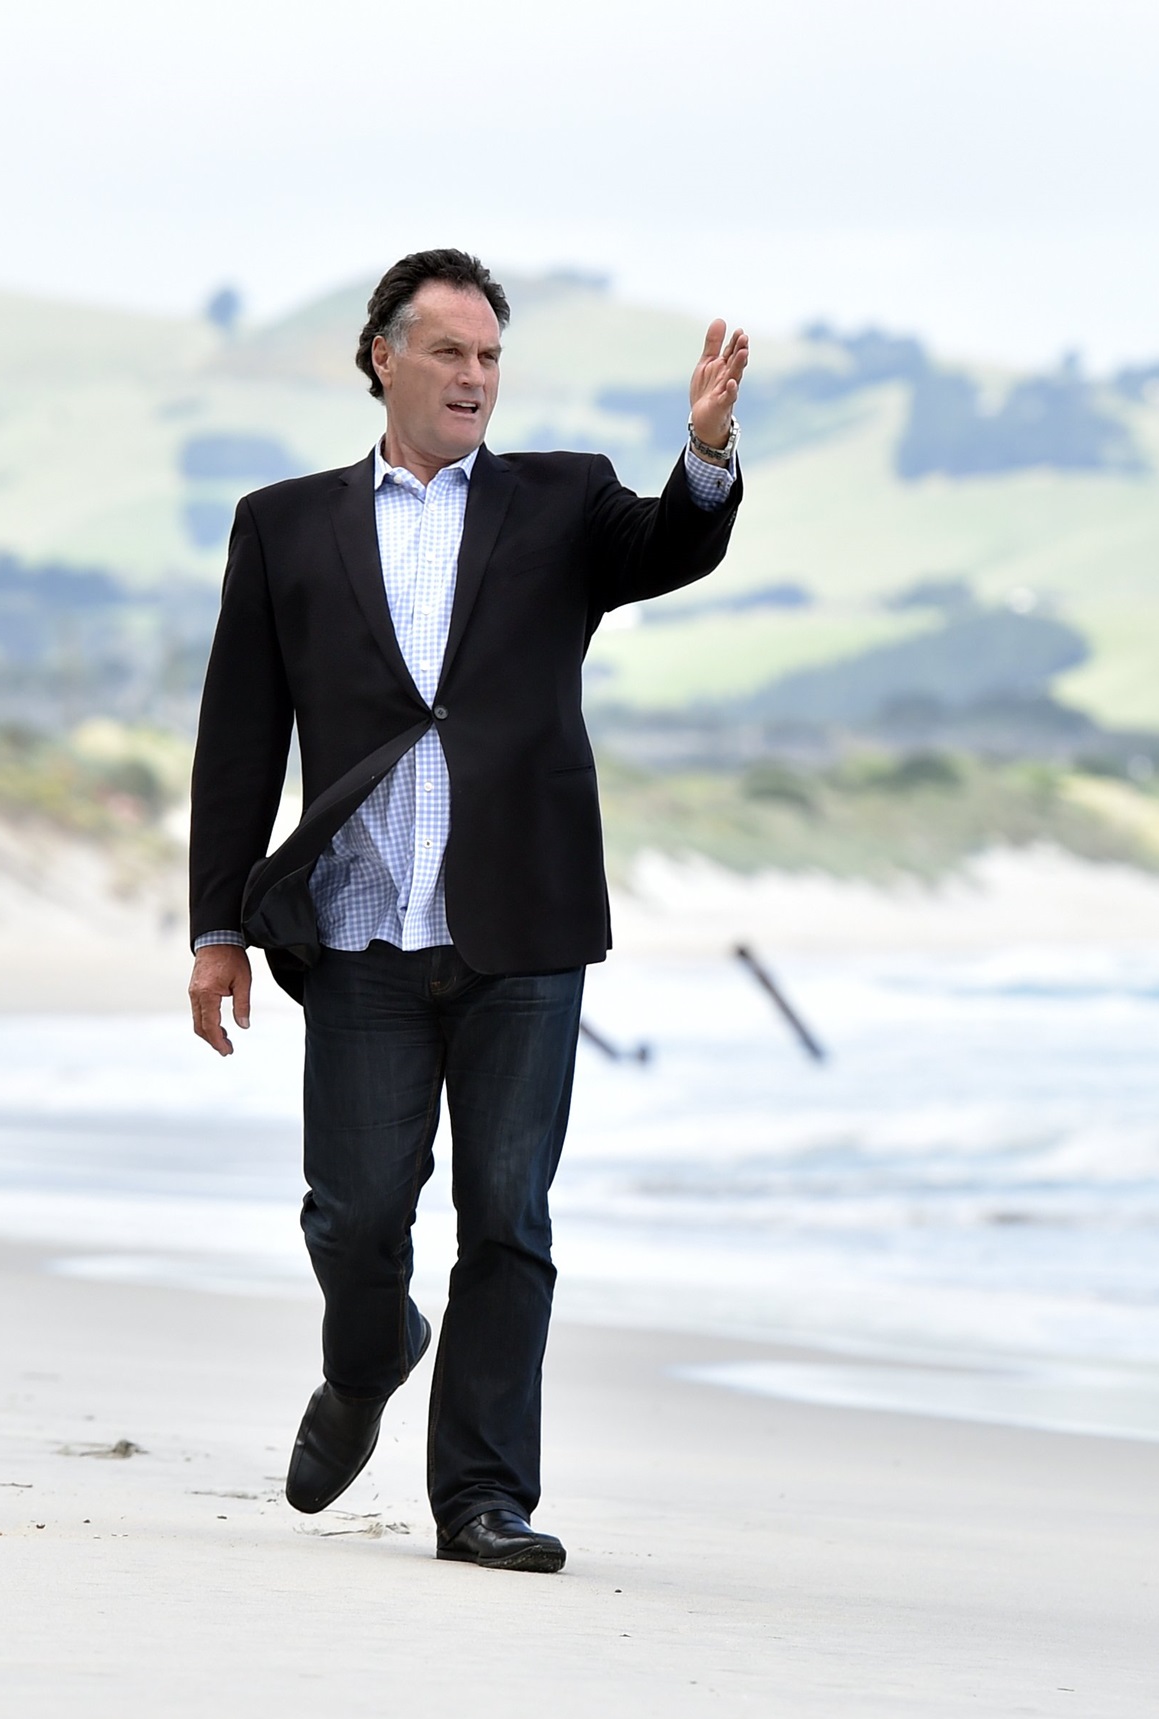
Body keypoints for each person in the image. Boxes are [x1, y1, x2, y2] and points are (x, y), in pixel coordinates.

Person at [183, 248, 748, 1573]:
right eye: (448, 352)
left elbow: (671, 542)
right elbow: (238, 735)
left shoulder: (560, 502)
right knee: (354, 1217)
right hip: (364, 933)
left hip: (525, 928)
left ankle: (480, 1498)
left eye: (490, 356)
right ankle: (368, 1353)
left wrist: (707, 454)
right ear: (382, 355)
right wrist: (216, 926)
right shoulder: (284, 523)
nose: (475, 378)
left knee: (508, 1218)